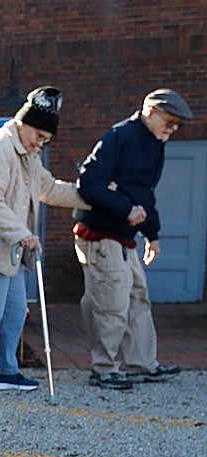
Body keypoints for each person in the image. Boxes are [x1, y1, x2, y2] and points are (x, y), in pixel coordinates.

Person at [0, 86, 89, 396]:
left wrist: (95, 197)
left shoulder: (28, 155)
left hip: (7, 249)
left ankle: (5, 372)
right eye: (38, 135)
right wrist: (22, 234)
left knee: (14, 311)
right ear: (23, 123)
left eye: (46, 140)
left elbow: (48, 189)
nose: (40, 143)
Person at [72, 88, 193, 391]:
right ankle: (104, 369)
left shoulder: (155, 143)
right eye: (170, 122)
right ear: (150, 112)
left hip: (124, 237)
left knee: (137, 298)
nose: (173, 129)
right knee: (109, 302)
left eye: (178, 125)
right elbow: (88, 181)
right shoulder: (120, 136)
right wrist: (125, 209)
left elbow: (144, 193)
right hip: (99, 234)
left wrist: (152, 234)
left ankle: (142, 364)